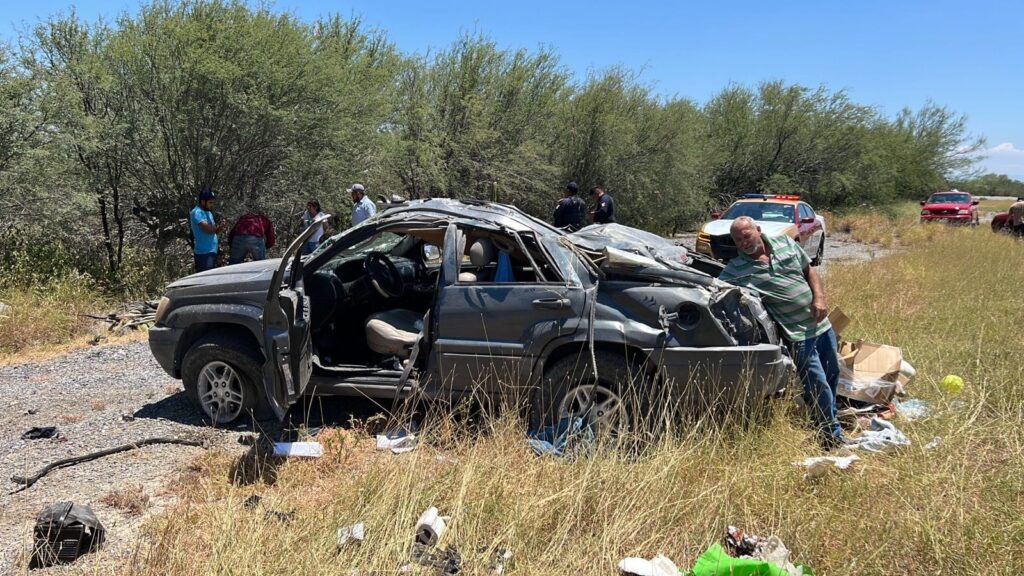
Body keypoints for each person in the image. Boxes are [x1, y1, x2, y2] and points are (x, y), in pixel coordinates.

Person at [719, 216, 845, 449]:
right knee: (817, 383)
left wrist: (819, 297)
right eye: (738, 240)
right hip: (797, 334)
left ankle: (830, 420)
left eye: (746, 236)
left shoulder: (786, 244)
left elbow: (810, 272)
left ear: (758, 230)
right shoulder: (736, 270)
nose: (743, 243)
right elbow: (715, 290)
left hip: (821, 325)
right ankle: (831, 435)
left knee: (832, 374)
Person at [190, 188, 224, 273]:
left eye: (213, 202)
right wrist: (215, 228)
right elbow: (208, 230)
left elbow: (214, 231)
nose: (212, 205)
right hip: (204, 253)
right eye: (210, 203)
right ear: (203, 201)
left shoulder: (208, 213)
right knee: (205, 280)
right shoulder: (197, 212)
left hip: (211, 251)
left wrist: (221, 226)